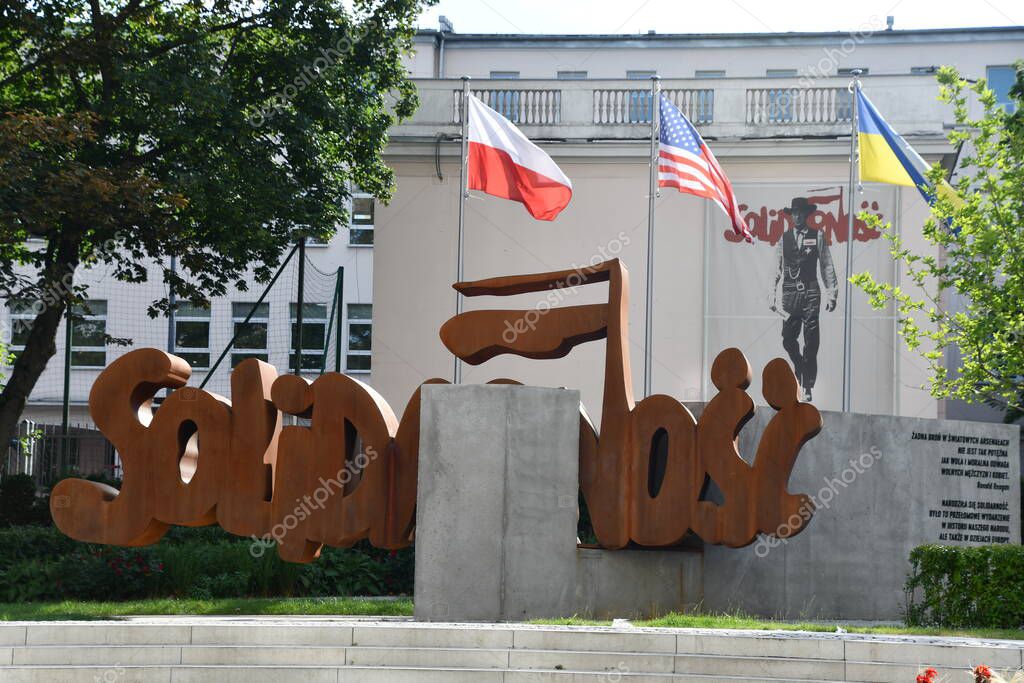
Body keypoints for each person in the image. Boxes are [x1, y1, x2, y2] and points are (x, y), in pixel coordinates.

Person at [769, 197, 837, 402]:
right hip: (789, 294)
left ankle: (807, 384)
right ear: (791, 216)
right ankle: (798, 365)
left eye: (801, 213)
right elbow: (776, 267)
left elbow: (826, 265)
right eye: (794, 213)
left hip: (811, 293)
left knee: (811, 342)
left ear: (807, 215)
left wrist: (831, 293)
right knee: (788, 339)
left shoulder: (817, 236)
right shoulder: (784, 238)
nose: (797, 216)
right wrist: (771, 293)